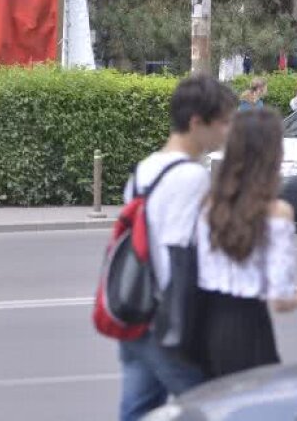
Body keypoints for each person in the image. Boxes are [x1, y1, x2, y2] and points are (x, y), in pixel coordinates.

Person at [118, 74, 238, 421]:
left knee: (138, 410)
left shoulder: (145, 170)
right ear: (197, 122)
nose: (227, 131)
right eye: (224, 122)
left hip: (134, 311)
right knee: (211, 405)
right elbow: (180, 258)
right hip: (166, 323)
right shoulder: (190, 177)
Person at [197, 109, 297, 378]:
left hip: (204, 329)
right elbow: (281, 300)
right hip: (249, 329)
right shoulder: (276, 212)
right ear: (273, 155)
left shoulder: (208, 205)